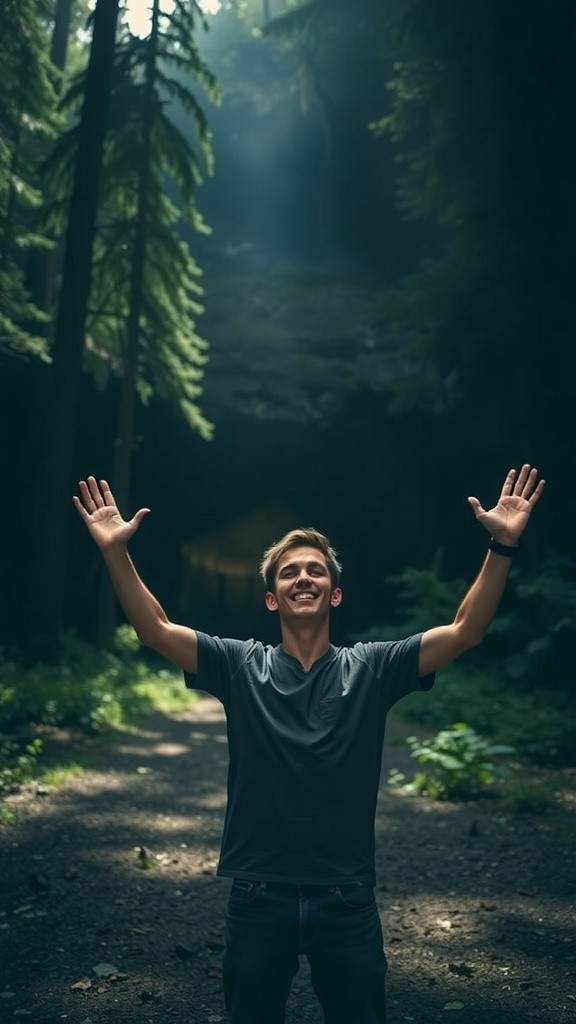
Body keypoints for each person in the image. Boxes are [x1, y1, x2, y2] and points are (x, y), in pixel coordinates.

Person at [73, 464, 544, 1024]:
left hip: (345, 896)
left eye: (316, 571)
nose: (303, 578)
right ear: (272, 598)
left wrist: (502, 545)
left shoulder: (372, 668)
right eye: (290, 572)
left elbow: (466, 630)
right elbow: (155, 629)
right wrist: (114, 552)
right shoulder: (238, 663)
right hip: (257, 894)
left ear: (334, 593)